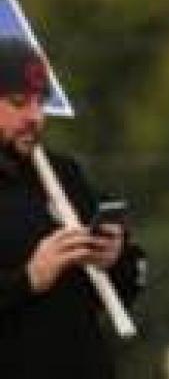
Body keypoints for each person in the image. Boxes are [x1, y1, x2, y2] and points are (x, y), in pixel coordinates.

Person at [0, 36, 145, 378]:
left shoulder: (64, 173)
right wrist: (29, 279)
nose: (35, 117)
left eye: (41, 103)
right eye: (19, 103)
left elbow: (130, 277)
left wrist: (114, 258)